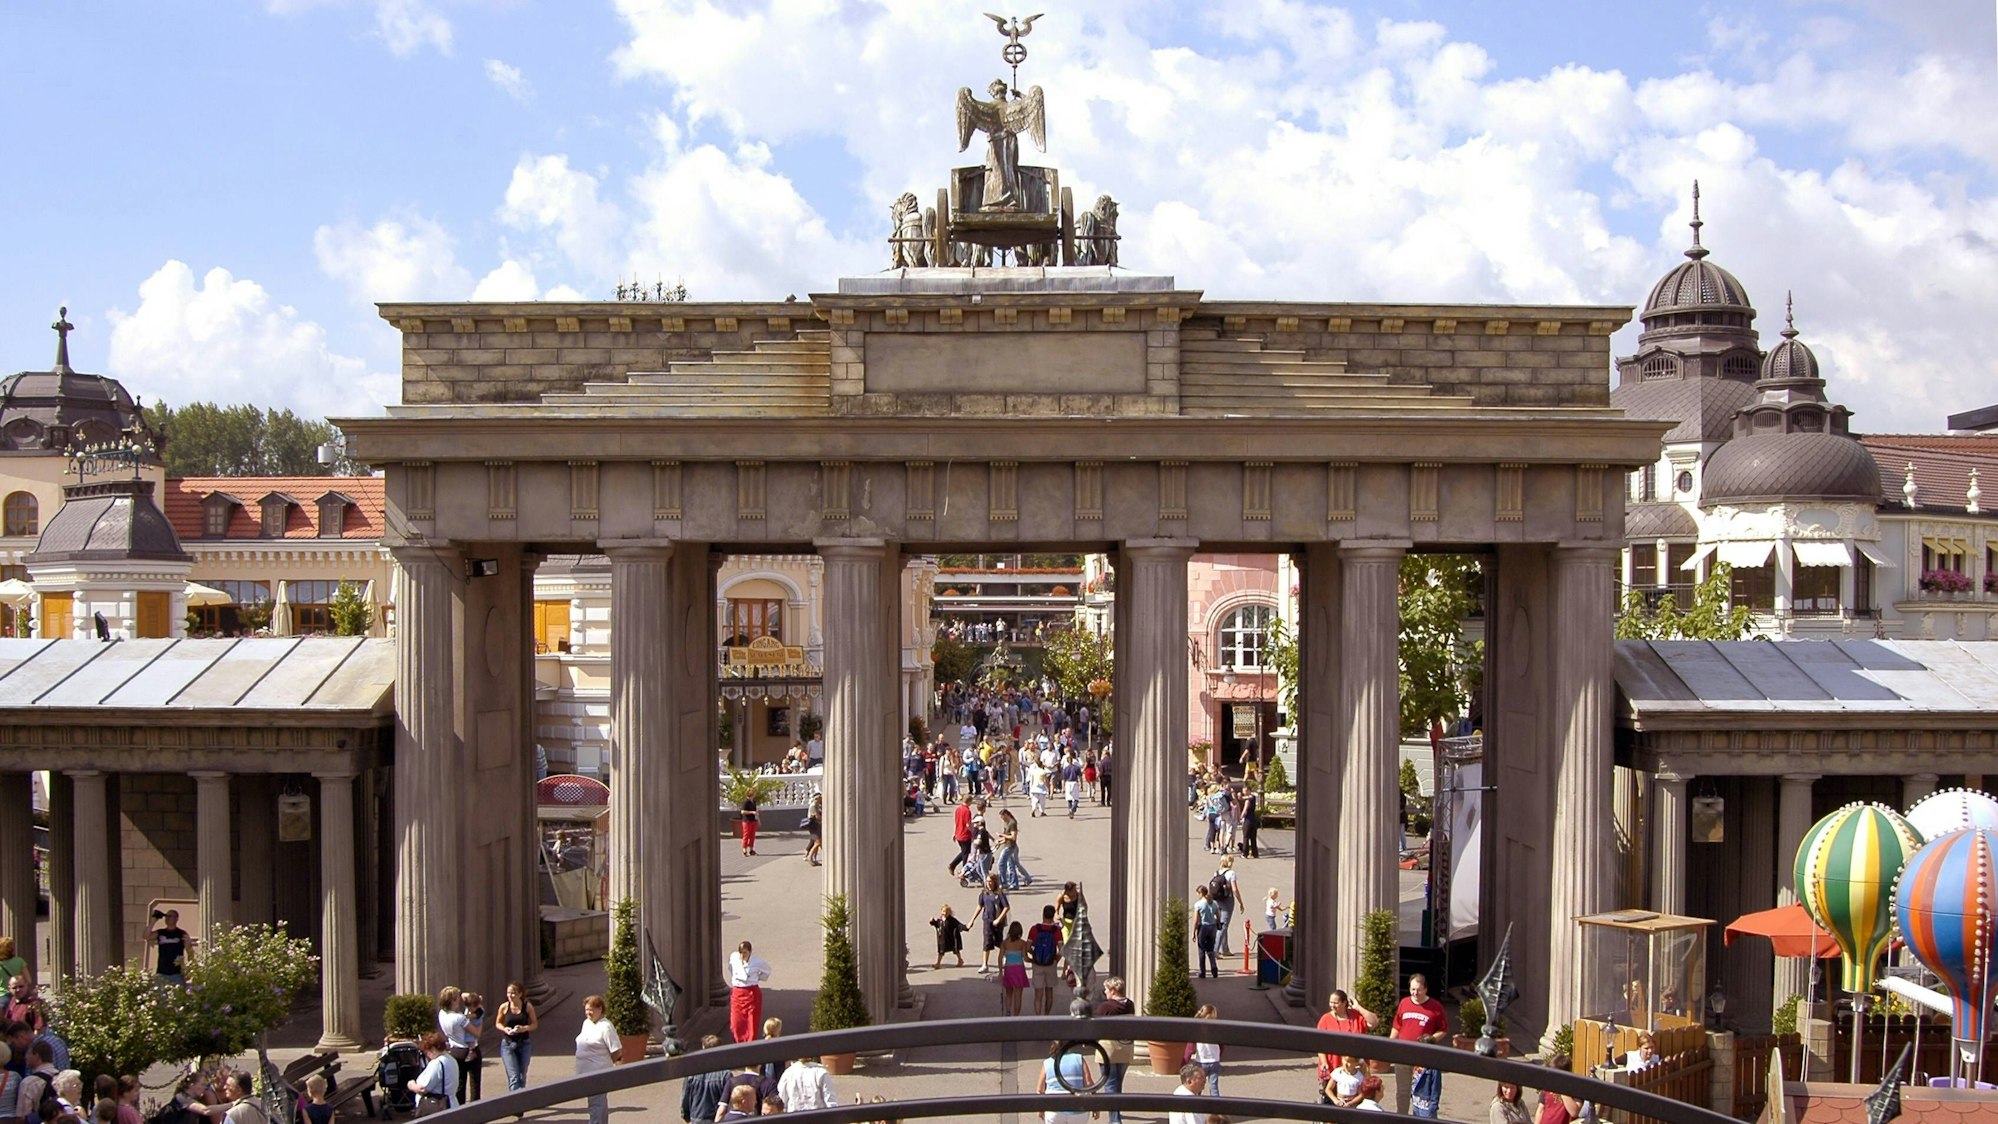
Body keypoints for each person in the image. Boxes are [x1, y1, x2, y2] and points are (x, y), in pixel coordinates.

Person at [1391, 974, 1448, 1116]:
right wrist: (1390, 1044)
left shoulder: (1435, 1007)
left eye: (1418, 990)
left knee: (1422, 1093)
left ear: (1426, 989)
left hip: (1422, 1058)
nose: (1415, 993)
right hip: (1403, 1055)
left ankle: (1421, 1118)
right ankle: (1402, 1117)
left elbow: (1443, 1030)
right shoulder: (1404, 1003)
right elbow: (1397, 1026)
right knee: (1402, 1092)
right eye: (1412, 989)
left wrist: (1431, 1039)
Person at [1313, 989, 1377, 1100]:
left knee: (1358, 1100)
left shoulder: (1355, 1016)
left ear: (1344, 1003)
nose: (1332, 1005)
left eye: (1336, 1003)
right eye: (1331, 1002)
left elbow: (1374, 1023)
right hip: (1334, 1066)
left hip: (1356, 1068)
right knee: (1333, 1101)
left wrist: (1358, 1008)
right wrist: (1324, 1062)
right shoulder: (1325, 1019)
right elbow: (1319, 1044)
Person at [1091, 977, 1135, 1124]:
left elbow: (1094, 1026)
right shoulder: (1130, 1004)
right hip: (1125, 1048)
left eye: (1106, 989)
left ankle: (1115, 1120)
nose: (1105, 992)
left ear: (1113, 990)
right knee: (1118, 1084)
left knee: (1110, 1085)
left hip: (1108, 1050)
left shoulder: (1106, 1007)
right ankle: (1116, 1112)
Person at [572, 995, 620, 1124]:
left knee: (596, 1103)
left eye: (592, 1010)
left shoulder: (606, 1026)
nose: (589, 1013)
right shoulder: (586, 1023)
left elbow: (616, 1051)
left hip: (598, 1072)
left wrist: (607, 1064)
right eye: (587, 1009)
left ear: (600, 1009)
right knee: (597, 1102)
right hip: (584, 1071)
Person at [436, 987, 479, 1103]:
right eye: (457, 999)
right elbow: (476, 1032)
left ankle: (459, 1110)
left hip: (454, 1049)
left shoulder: (442, 1014)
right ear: (452, 1001)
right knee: (475, 1083)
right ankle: (476, 1110)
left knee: (459, 1084)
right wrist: (480, 1021)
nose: (460, 1000)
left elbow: (465, 994)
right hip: (467, 1048)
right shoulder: (459, 1018)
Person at [1036, 1041, 1094, 1123]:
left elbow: (1040, 1089)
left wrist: (1040, 1108)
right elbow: (1089, 1083)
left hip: (1054, 1109)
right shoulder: (1078, 1058)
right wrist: (1095, 1106)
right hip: (1078, 1109)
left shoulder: (1047, 1063)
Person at [495, 980, 538, 1092]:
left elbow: (534, 1024)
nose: (510, 996)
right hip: (508, 1044)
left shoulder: (527, 1006)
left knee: (521, 1076)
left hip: (524, 1043)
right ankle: (515, 1105)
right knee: (514, 1077)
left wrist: (524, 1028)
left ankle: (520, 1101)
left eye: (513, 993)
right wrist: (505, 1029)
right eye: (508, 993)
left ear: (520, 994)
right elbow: (498, 1023)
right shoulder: (504, 1007)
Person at [726, 941, 772, 1044]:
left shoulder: (757, 962)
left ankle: (750, 1045)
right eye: (741, 952)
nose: (743, 955)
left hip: (751, 993)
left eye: (745, 952)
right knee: (736, 1024)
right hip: (737, 993)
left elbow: (767, 971)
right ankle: (738, 1043)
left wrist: (755, 978)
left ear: (750, 952)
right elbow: (730, 968)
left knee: (751, 1023)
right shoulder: (734, 957)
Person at [406, 1035, 458, 1117]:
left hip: (439, 1107)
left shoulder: (437, 1064)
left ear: (433, 1049)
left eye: (426, 1052)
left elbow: (423, 1089)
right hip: (451, 1103)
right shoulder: (451, 1059)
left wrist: (411, 1085)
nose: (427, 1056)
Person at [1026, 906, 1065, 1016]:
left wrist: (1034, 955)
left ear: (1043, 914)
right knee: (1049, 992)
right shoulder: (1056, 931)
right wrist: (1056, 959)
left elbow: (1028, 946)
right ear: (1053, 916)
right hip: (1050, 963)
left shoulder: (1035, 929)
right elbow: (1062, 949)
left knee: (1038, 994)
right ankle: (1047, 1015)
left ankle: (1038, 1016)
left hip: (1038, 963)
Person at [978, 874, 1010, 974]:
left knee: (999, 941)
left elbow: (1006, 907)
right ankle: (984, 964)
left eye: (991, 881)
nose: (989, 884)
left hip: (997, 922)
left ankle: (1005, 957)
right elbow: (979, 906)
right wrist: (972, 920)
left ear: (995, 882)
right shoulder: (984, 893)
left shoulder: (999, 893)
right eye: (987, 881)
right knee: (987, 942)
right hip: (987, 920)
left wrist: (999, 919)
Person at [1535, 1059, 1584, 1124]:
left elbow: (1574, 1112)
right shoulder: (1547, 1087)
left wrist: (1562, 1090)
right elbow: (1541, 1109)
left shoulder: (1575, 1089)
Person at [152, 911, 193, 986]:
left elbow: (190, 951)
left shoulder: (182, 933)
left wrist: (189, 969)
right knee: (160, 997)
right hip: (161, 973)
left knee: (178, 996)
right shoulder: (160, 932)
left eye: (170, 916)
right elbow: (146, 936)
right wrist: (154, 920)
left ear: (176, 918)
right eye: (166, 916)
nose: (167, 918)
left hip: (177, 974)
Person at [1188, 1004, 1222, 1095]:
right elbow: (1222, 1045)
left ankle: (1197, 1105)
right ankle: (1216, 1105)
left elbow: (1191, 1046)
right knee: (1214, 1086)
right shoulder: (1217, 1028)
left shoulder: (1198, 1028)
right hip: (1214, 1060)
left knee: (1198, 1086)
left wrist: (1186, 1058)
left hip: (1201, 1060)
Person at [998, 922, 1031, 1016]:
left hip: (1009, 969)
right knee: (1018, 995)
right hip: (1019, 969)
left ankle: (1008, 1011)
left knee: (1009, 993)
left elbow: (1000, 957)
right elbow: (1025, 958)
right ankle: (1016, 1015)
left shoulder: (1005, 943)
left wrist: (1001, 971)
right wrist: (1033, 960)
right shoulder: (1022, 943)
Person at [1208, 857, 1239, 956]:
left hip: (1217, 900)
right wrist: (1240, 902)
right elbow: (1234, 889)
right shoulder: (1231, 873)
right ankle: (1215, 950)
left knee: (1222, 924)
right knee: (1223, 926)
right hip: (1227, 900)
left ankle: (1225, 949)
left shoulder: (1217, 873)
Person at [930, 904, 971, 969]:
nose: (945, 913)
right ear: (941, 911)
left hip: (951, 938)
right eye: (943, 911)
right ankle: (938, 963)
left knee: (956, 950)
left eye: (946, 912)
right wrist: (932, 921)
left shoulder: (952, 920)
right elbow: (937, 925)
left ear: (950, 912)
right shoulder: (940, 920)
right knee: (941, 951)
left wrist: (966, 927)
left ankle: (960, 960)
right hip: (943, 939)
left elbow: (959, 925)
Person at [1192, 885, 1220, 979]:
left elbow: (1196, 920)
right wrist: (1218, 923)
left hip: (1203, 927)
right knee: (1211, 949)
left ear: (1200, 893)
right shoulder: (1214, 903)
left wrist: (1194, 932)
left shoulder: (1198, 904)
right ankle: (1214, 967)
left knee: (1201, 950)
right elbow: (1218, 915)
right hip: (1212, 927)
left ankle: (1202, 972)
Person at [948, 796, 976, 876]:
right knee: (966, 854)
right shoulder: (967, 811)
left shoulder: (958, 809)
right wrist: (973, 832)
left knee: (964, 852)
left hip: (958, 834)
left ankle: (952, 865)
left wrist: (954, 833)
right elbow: (968, 825)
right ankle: (964, 870)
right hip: (965, 835)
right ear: (969, 801)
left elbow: (956, 822)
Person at [736, 792, 760, 856]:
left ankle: (751, 849)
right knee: (746, 835)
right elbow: (742, 811)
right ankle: (744, 849)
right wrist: (751, 812)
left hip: (753, 820)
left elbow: (756, 811)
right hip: (747, 821)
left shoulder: (753, 802)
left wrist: (758, 819)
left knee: (752, 836)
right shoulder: (745, 802)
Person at [803, 793, 824, 866]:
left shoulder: (817, 805)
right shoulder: (814, 805)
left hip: (816, 826)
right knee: (818, 842)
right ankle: (810, 857)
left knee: (816, 842)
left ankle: (814, 859)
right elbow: (817, 817)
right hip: (814, 826)